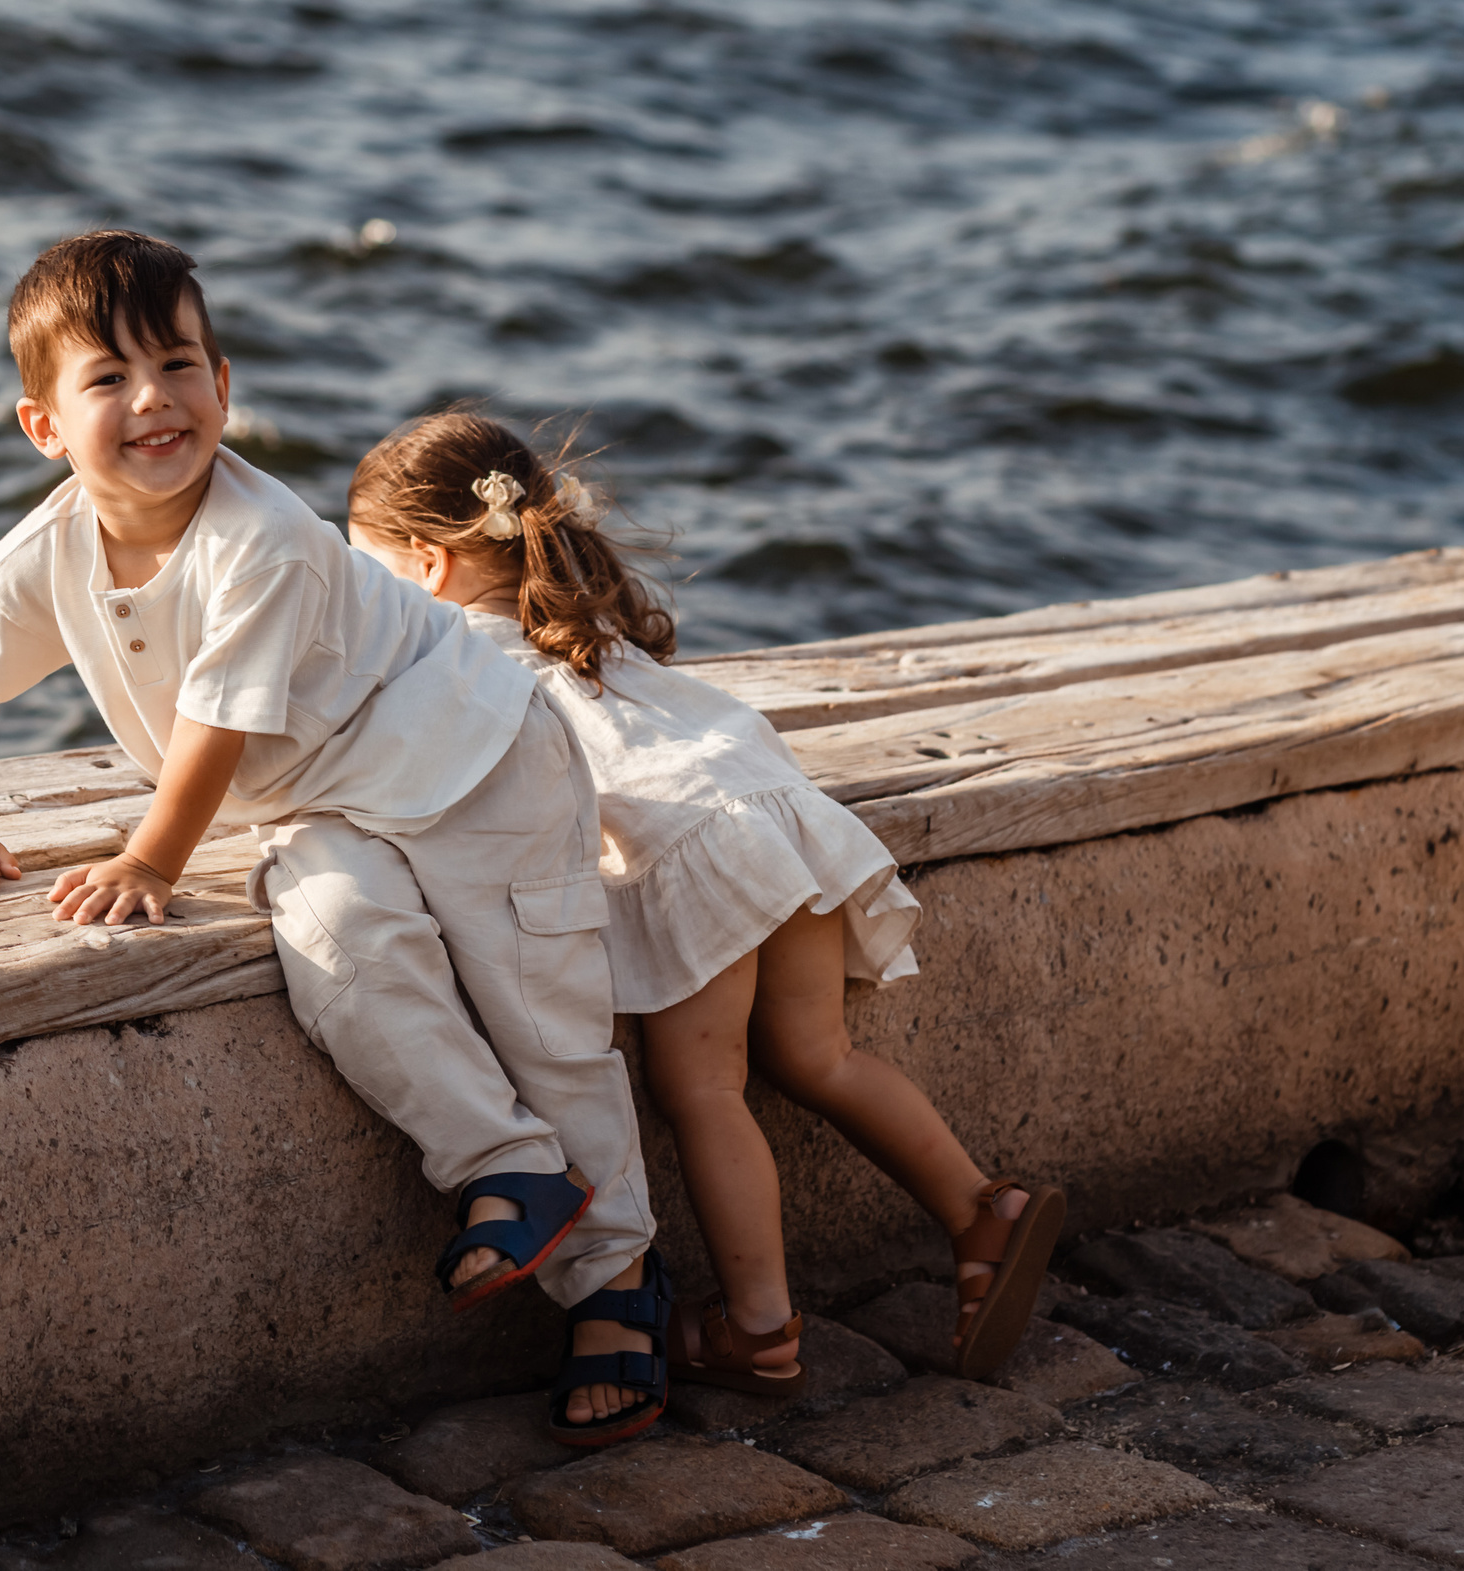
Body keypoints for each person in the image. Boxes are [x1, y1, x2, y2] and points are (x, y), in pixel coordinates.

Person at [0, 233, 668, 1443]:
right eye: (107, 379)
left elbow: (211, 730)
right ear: (43, 426)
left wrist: (149, 862)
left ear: (224, 383)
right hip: (325, 805)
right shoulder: (47, 554)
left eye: (180, 363)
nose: (153, 398)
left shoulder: (257, 538)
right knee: (340, 947)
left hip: (480, 769)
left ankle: (617, 1286)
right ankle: (505, 1167)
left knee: (547, 1024)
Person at [345, 408, 1066, 1392]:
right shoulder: (583, 634)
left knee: (704, 1092)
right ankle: (982, 1209)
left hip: (688, 854)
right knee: (819, 1056)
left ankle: (760, 1326)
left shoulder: (458, 665)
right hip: (775, 817)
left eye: (366, 573)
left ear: (426, 565)